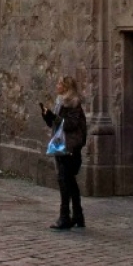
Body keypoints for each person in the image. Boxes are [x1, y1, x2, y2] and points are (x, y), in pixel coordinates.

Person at [40, 74, 87, 230]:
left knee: (65, 181)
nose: (57, 86)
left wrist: (55, 117)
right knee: (69, 181)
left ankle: (65, 217)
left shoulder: (73, 104)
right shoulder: (60, 102)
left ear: (66, 87)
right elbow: (55, 125)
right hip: (61, 146)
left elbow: (70, 125)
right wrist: (47, 116)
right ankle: (78, 215)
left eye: (59, 84)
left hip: (69, 148)